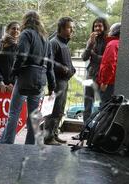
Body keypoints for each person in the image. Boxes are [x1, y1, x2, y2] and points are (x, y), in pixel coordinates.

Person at [0, 11, 56, 145]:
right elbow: (50, 64)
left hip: (25, 77)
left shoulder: (26, 34)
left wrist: (13, 73)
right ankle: (30, 144)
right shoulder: (45, 38)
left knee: (14, 112)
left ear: (25, 20)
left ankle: (7, 142)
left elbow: (21, 56)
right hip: (40, 79)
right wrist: (52, 85)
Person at [43, 17, 76, 145]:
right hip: (56, 82)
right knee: (53, 110)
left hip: (64, 81)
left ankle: (54, 134)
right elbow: (48, 61)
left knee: (60, 110)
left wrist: (71, 70)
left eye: (73, 27)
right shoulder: (54, 42)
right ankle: (48, 137)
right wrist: (62, 68)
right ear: (61, 28)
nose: (72, 30)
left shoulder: (64, 43)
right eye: (69, 27)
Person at [82, 17, 109, 122]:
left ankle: (98, 131)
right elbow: (84, 57)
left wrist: (95, 56)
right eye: (95, 26)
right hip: (90, 74)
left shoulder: (108, 40)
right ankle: (85, 131)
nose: (97, 28)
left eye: (100, 26)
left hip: (102, 76)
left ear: (104, 27)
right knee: (87, 103)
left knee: (103, 103)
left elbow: (107, 59)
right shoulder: (91, 40)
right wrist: (90, 45)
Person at [97, 22, 121, 106]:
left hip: (109, 84)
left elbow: (109, 64)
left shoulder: (112, 44)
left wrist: (104, 82)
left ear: (115, 31)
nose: (108, 32)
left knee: (105, 108)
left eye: (110, 30)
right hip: (115, 83)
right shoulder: (121, 43)